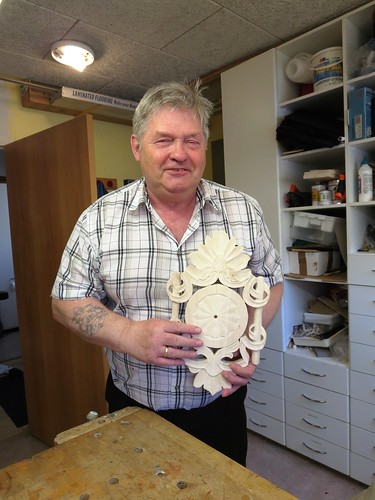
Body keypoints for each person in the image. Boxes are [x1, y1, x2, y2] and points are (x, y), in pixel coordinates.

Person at [51, 80, 283, 466]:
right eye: (164, 140)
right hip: (134, 407)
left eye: (191, 141)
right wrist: (128, 334)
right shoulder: (99, 220)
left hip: (219, 406)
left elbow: (271, 283)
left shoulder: (243, 211)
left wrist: (246, 341)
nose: (179, 154)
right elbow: (64, 302)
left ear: (203, 147)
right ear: (137, 147)